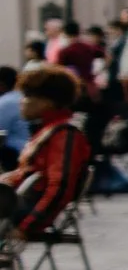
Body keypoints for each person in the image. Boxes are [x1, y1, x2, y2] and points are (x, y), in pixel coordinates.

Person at [1, 66, 92, 237]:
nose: (21, 101)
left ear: (47, 102)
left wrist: (26, 227)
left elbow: (59, 188)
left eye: (27, 96)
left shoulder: (64, 135)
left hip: (20, 211)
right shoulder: (48, 130)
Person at [0, 67, 25, 168]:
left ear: (1, 85)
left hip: (16, 156)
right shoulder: (21, 96)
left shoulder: (5, 102)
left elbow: (0, 134)